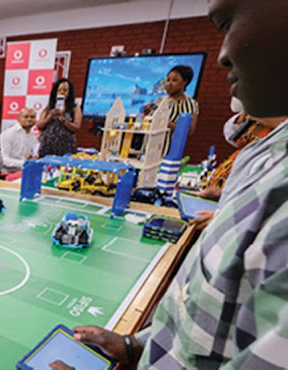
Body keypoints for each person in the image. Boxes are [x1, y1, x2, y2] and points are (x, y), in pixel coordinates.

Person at [50, 0, 288, 368]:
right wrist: (140, 345)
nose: (222, 55)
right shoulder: (262, 155)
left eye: (227, 23)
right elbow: (211, 305)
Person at [145, 65, 200, 138]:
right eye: (168, 80)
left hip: (168, 147)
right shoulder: (160, 100)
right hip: (147, 145)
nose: (169, 84)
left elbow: (189, 130)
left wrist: (163, 123)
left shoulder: (190, 103)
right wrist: (147, 112)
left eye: (174, 80)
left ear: (185, 82)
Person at [36, 78, 82, 157]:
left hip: (65, 148)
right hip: (46, 147)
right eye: (59, 90)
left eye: (65, 90)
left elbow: (77, 127)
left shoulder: (75, 108)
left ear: (69, 92)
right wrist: (50, 116)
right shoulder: (49, 107)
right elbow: (39, 126)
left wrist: (63, 121)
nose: (61, 92)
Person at [0, 108, 38, 173]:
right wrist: (23, 163)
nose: (29, 119)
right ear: (18, 119)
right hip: (7, 174)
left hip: (25, 173)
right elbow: (3, 159)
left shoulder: (34, 138)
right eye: (26, 117)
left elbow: (31, 157)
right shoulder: (8, 133)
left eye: (32, 117)